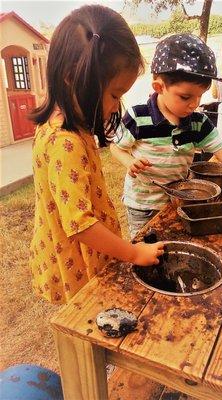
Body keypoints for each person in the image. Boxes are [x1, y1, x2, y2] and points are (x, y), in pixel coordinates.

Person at [29, 5, 164, 304]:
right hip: (77, 261)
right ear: (71, 77)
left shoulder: (63, 121)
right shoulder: (66, 141)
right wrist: (133, 253)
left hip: (70, 251)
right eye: (115, 94)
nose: (117, 106)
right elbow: (80, 225)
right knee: (85, 325)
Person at [110, 34, 222, 238]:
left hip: (179, 201)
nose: (194, 104)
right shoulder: (138, 117)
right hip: (142, 204)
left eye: (200, 95)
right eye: (185, 97)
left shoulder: (197, 122)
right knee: (144, 248)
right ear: (159, 87)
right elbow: (116, 147)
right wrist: (129, 161)